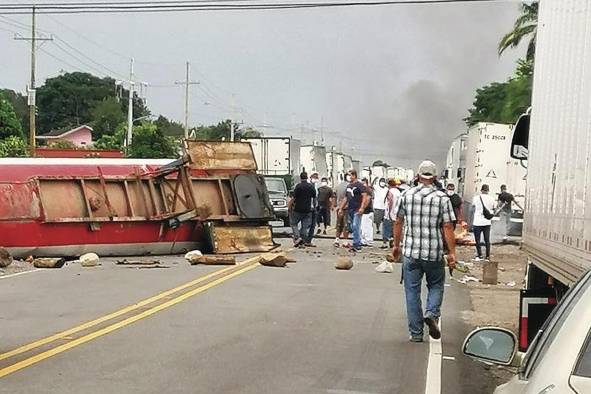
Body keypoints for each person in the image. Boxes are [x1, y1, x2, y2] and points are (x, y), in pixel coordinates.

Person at [392, 160, 456, 342]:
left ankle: (416, 333)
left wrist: (396, 245)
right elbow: (448, 226)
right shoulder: (442, 198)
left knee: (411, 292)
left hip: (411, 253)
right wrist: (452, 253)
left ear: (418, 175)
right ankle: (432, 314)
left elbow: (398, 221)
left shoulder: (406, 195)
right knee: (436, 285)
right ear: (435, 177)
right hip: (434, 253)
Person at [338, 170, 369, 252]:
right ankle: (357, 238)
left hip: (357, 209)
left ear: (354, 175)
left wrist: (362, 207)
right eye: (348, 175)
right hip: (350, 209)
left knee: (355, 226)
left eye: (350, 175)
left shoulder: (360, 185)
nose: (349, 177)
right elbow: (346, 198)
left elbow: (364, 196)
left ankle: (357, 244)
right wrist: (341, 208)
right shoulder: (349, 186)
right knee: (351, 227)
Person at [289, 172, 316, 247]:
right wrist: (314, 207)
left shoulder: (298, 186)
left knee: (293, 223)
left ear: (300, 178)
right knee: (305, 226)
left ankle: (297, 237)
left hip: (298, 209)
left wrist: (289, 207)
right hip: (308, 210)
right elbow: (314, 198)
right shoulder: (311, 187)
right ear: (307, 177)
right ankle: (302, 239)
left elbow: (293, 198)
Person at [471, 184, 495, 261]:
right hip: (487, 222)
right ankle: (487, 256)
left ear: (481, 190)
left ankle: (479, 255)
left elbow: (473, 207)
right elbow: (494, 208)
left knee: (477, 240)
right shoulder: (492, 199)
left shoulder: (476, 198)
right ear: (488, 190)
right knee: (487, 240)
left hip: (477, 221)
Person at [381, 178, 401, 249]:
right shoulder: (398, 192)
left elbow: (390, 201)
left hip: (390, 213)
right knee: (394, 229)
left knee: (386, 228)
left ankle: (385, 243)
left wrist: (389, 212)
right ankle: (393, 242)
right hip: (396, 213)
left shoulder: (390, 191)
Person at [334, 174, 350, 247]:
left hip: (338, 207)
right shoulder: (349, 186)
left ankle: (337, 240)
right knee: (346, 225)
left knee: (339, 224)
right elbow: (348, 198)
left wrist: (335, 206)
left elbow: (334, 196)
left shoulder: (338, 186)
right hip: (346, 207)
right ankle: (345, 241)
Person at [307, 172, 320, 243]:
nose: (315, 179)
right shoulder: (308, 186)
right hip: (308, 207)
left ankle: (308, 240)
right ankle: (303, 238)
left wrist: (316, 206)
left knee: (313, 224)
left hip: (314, 207)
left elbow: (316, 197)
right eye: (314, 177)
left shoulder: (316, 186)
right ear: (311, 177)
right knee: (307, 224)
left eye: (316, 177)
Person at [361, 178, 374, 246]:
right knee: (365, 227)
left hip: (367, 211)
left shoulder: (367, 190)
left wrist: (362, 208)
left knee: (366, 227)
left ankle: (367, 240)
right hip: (367, 211)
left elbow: (368, 200)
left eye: (363, 183)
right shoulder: (366, 190)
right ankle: (365, 240)